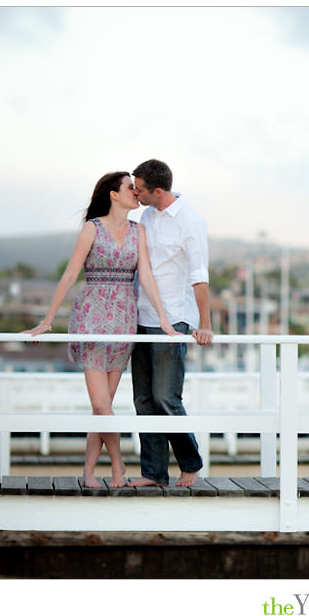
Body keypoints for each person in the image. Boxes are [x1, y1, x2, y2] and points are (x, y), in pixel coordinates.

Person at [23, 171, 177, 488]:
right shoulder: (91, 229)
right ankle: (118, 468)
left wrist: (163, 318)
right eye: (130, 187)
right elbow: (69, 275)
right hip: (92, 318)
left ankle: (88, 472)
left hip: (123, 319)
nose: (136, 192)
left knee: (102, 406)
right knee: (101, 405)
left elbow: (146, 276)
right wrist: (47, 320)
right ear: (113, 194)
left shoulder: (139, 231)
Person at [128, 159, 214, 488]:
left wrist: (203, 324)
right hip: (141, 316)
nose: (135, 193)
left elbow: (199, 275)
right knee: (144, 400)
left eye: (140, 189)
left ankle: (190, 463)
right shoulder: (147, 215)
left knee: (166, 397)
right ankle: (154, 473)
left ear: (158, 190)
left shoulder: (190, 220)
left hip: (174, 320)